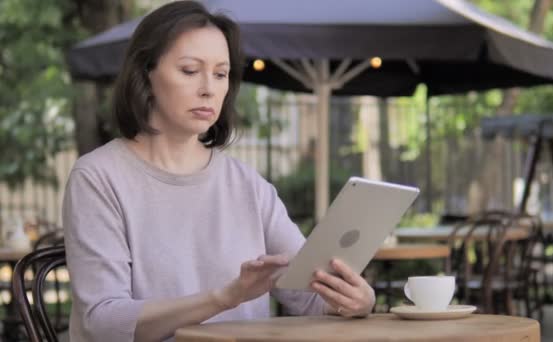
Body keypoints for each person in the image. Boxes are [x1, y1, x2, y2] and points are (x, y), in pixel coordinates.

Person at [62, 1, 375, 341]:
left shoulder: (247, 185)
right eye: (189, 70)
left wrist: (356, 300)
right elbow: (103, 321)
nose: (209, 89)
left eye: (221, 74)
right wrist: (225, 298)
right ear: (146, 75)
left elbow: (310, 296)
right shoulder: (98, 178)